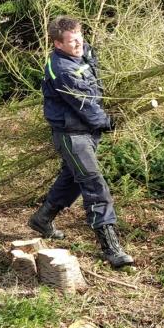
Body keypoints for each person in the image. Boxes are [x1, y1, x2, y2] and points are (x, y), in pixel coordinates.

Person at [30, 16, 134, 268]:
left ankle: (42, 219)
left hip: (87, 131)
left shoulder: (82, 50)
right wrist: (106, 121)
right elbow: (83, 103)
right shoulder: (61, 69)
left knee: (71, 179)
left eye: (80, 38)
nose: (78, 44)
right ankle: (111, 248)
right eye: (72, 41)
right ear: (58, 44)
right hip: (71, 135)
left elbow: (92, 70)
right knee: (94, 184)